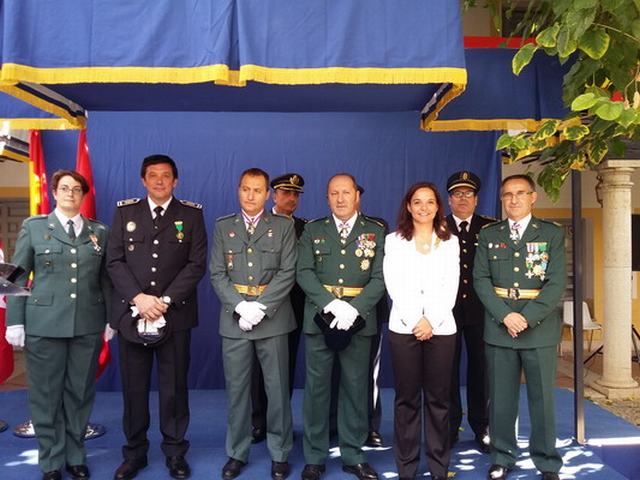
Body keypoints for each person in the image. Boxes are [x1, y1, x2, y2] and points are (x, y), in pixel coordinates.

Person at [5, 170, 112, 480]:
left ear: (83, 195)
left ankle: (76, 455)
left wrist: (109, 320)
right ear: (54, 192)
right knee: (46, 395)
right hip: (44, 324)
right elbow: (15, 276)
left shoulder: (98, 232)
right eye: (64, 188)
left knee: (79, 394)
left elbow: (105, 279)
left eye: (76, 189)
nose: (70, 193)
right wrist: (15, 321)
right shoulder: (35, 228)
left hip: (88, 323)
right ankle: (51, 460)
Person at [107, 154, 207, 480]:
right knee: (134, 390)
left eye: (166, 176)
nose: (160, 181)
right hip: (132, 315)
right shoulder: (125, 212)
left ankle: (175, 453)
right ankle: (134, 453)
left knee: (174, 388)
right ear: (143, 180)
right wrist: (139, 299)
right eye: (153, 176)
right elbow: (114, 261)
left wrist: (163, 301)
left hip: (174, 316)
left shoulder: (191, 215)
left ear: (175, 181)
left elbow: (196, 265)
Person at [473, 174, 565, 480]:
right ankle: (501, 456)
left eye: (520, 193)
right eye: (507, 195)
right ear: (501, 199)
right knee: (500, 400)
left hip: (538, 329)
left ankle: (547, 461)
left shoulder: (551, 234)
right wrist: (505, 316)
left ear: (533, 197)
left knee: (542, 401)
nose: (513, 199)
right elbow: (481, 280)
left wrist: (526, 317)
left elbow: (555, 284)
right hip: (500, 328)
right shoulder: (489, 234)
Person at [297, 173, 385, 480]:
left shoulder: (375, 231)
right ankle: (314, 457)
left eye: (346, 192)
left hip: (360, 321)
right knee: (317, 391)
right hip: (321, 318)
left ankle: (353, 454)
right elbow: (304, 272)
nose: (340, 198)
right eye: (334, 193)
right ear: (327, 197)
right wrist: (332, 305)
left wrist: (354, 308)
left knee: (355, 389)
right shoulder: (313, 230)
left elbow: (380, 277)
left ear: (357, 195)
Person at [210, 168, 297, 480]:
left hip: (272, 318)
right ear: (238, 190)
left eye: (257, 190)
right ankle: (237, 451)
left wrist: (260, 307)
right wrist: (239, 307)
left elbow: (288, 270)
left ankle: (279, 451)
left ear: (267, 194)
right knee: (237, 391)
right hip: (235, 321)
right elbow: (217, 273)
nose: (251, 195)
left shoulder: (284, 226)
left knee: (277, 390)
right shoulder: (224, 226)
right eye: (246, 189)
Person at [383, 182, 459, 480]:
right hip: (404, 327)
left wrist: (432, 320)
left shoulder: (450, 241)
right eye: (418, 202)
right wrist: (416, 318)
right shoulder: (393, 240)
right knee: (406, 400)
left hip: (441, 329)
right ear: (408, 206)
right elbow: (394, 284)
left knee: (439, 401)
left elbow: (450, 285)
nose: (424, 207)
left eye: (430, 202)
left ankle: (439, 467)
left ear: (438, 206)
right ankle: (407, 467)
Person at [250, 173, 307, 445]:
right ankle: (258, 420)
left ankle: (279, 419)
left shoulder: (305, 227)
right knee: (258, 367)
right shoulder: (259, 223)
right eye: (285, 192)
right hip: (262, 305)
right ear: (273, 194)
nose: (291, 198)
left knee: (286, 366)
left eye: (296, 194)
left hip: (293, 305)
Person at [445, 171, 494, 452]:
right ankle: (450, 425)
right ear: (449, 200)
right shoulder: (438, 227)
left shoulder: (489, 228)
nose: (462, 199)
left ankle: (482, 426)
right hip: (446, 313)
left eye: (467, 194)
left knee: (481, 371)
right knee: (446, 372)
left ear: (476, 200)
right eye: (457, 194)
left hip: (480, 311)